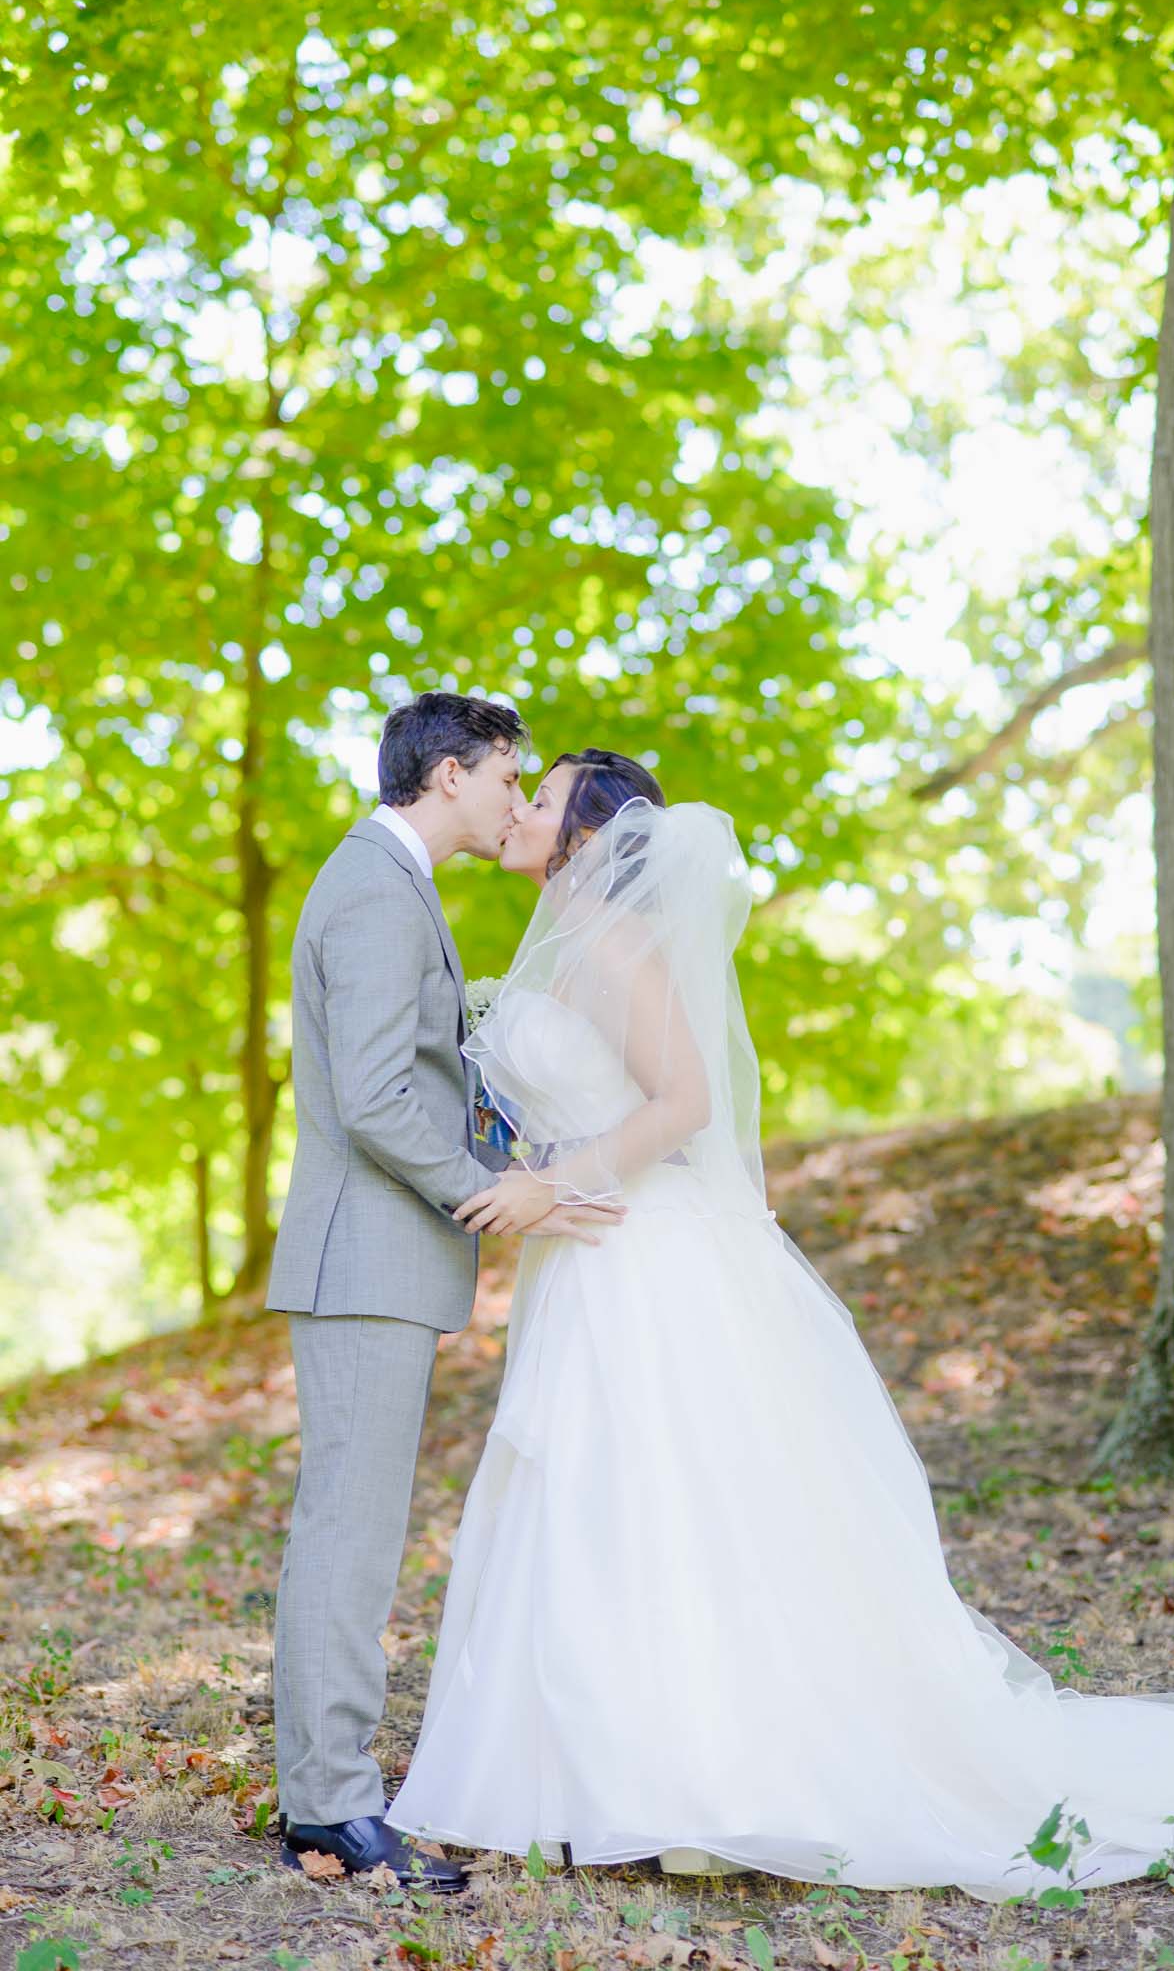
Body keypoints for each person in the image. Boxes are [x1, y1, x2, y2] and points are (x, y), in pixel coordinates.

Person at [385, 746, 1174, 1899]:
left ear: (589, 833)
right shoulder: (567, 947)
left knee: (663, 1490)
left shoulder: (619, 948)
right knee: (593, 1494)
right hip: (593, 1253)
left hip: (643, 1253)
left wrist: (556, 1182)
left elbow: (684, 1105)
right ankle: (583, 1772)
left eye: (542, 796)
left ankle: (697, 1773)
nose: (521, 806)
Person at [266, 696, 623, 1892]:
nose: (519, 802)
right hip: (363, 1257)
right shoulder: (374, 883)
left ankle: (327, 1792)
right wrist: (486, 1187)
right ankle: (330, 1808)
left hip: (378, 1260)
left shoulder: (387, 879)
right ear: (452, 771)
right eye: (509, 779)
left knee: (351, 1529)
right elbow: (372, 1096)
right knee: (349, 1535)